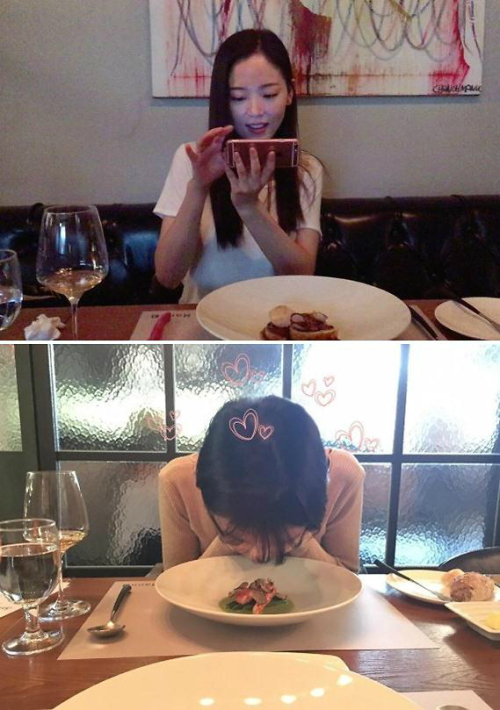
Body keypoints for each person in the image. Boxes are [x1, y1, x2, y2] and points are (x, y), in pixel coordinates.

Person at [153, 29, 323, 303]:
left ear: (290, 93)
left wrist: (249, 206)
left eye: (269, 94)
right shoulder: (191, 158)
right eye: (238, 97)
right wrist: (198, 186)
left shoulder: (306, 169)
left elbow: (302, 274)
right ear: (223, 99)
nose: (255, 111)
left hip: (275, 318)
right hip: (203, 317)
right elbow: (167, 276)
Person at [158, 396, 365, 571]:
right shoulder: (178, 481)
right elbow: (176, 584)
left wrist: (302, 544)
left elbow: (347, 580)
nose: (259, 555)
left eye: (284, 540)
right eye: (238, 538)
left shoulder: (344, 475)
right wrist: (225, 543)